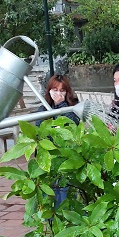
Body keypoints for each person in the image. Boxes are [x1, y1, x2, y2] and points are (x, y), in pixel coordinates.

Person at [41, 74, 80, 208]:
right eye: (55, 90)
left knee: (68, 197)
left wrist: (61, 105)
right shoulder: (43, 110)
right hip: (50, 161)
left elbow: (72, 124)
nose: (58, 93)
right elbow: (40, 134)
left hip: (69, 158)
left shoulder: (73, 106)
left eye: (62, 90)